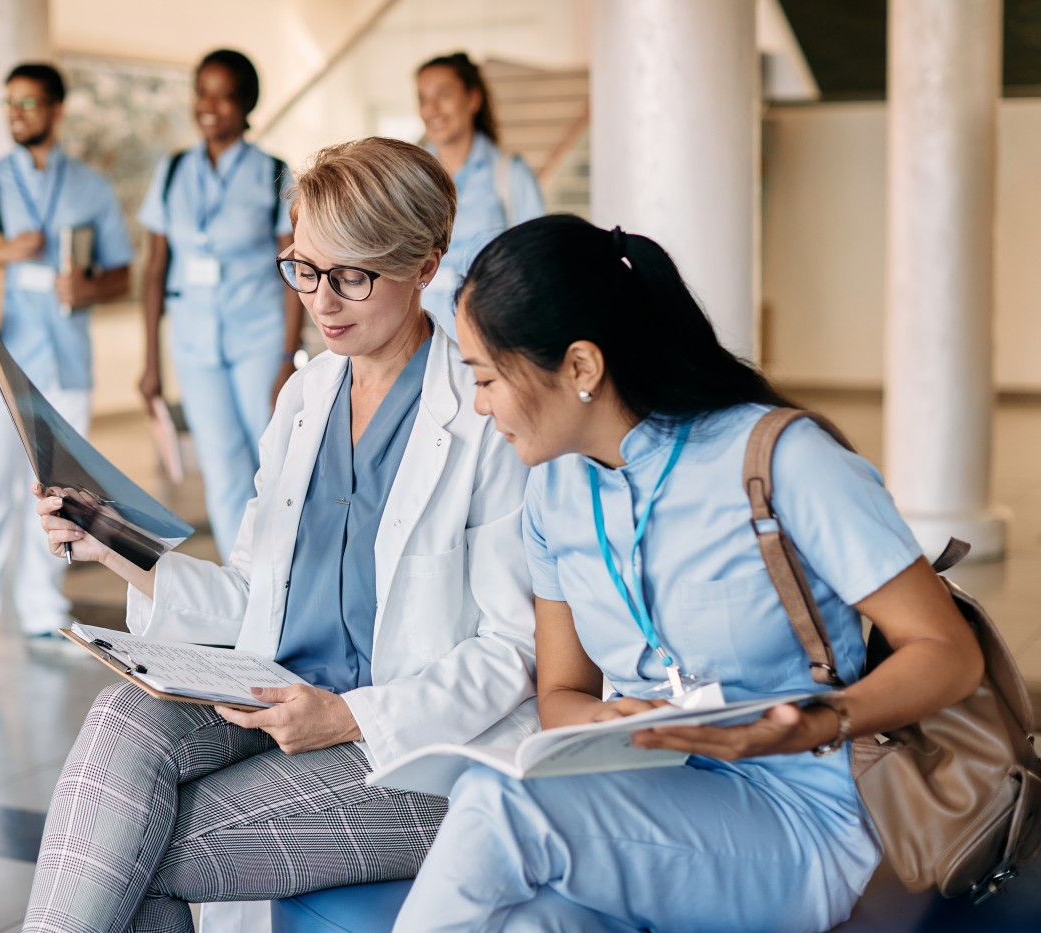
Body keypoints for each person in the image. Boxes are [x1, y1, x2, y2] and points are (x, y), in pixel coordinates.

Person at [393, 215, 985, 932]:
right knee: (529, 924)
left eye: (486, 377)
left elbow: (947, 655)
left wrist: (816, 723)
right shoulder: (553, 494)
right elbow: (564, 691)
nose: (480, 406)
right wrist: (599, 722)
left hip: (801, 815)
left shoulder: (780, 460)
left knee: (497, 799)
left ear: (581, 366)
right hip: (651, 796)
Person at [21, 137, 537, 932]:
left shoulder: (481, 414)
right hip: (271, 692)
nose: (320, 301)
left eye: (351, 277)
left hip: (415, 750)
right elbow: (249, 593)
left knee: (131, 847)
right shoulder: (306, 394)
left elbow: (517, 648)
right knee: (124, 718)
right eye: (302, 267)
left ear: (427, 265)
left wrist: (351, 716)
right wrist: (113, 541)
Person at [0, 62, 133, 669]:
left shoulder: (92, 188)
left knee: (61, 496)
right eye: (9, 103)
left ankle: (44, 613)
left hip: (64, 364)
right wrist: (3, 252)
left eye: (29, 103)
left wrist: (88, 290)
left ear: (57, 109)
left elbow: (121, 273)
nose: (17, 114)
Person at [137, 48, 305, 559]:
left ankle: (285, 571)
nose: (210, 106)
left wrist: (286, 358)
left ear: (246, 103)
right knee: (220, 463)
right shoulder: (172, 173)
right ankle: (243, 583)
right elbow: (154, 271)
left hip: (258, 338)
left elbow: (295, 272)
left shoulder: (274, 172)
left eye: (224, 95)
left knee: (272, 458)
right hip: (193, 343)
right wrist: (151, 362)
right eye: (202, 92)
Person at [416, 51, 544, 340]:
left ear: (473, 99)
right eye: (423, 99)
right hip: (420, 346)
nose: (431, 109)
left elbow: (537, 267)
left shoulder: (509, 174)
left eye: (443, 95)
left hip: (492, 341)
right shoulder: (409, 179)